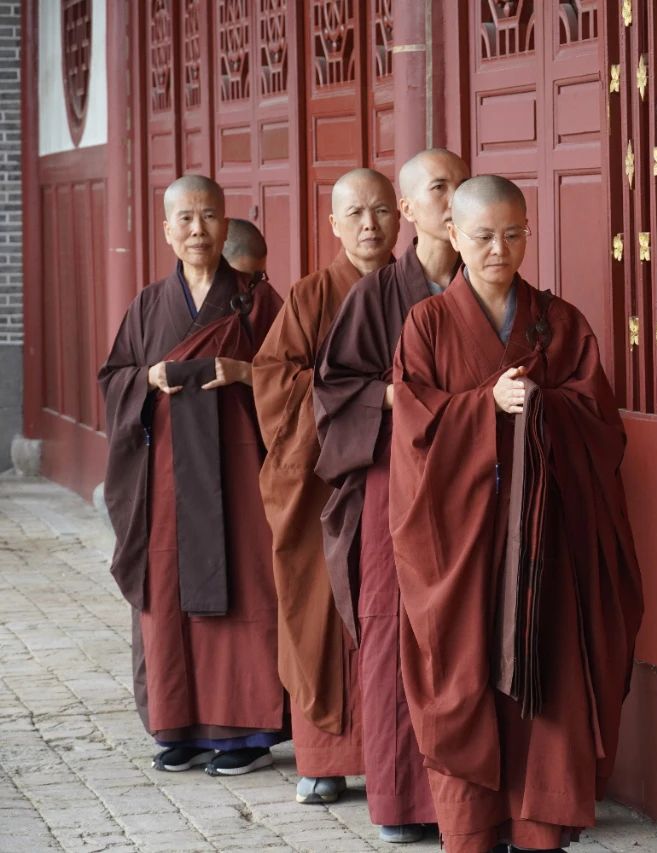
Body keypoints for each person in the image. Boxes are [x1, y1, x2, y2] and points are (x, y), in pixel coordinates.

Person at [388, 175, 644, 853]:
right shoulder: (429, 324)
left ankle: (537, 827)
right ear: (450, 235)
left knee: (548, 676)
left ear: (529, 232)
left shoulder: (559, 321)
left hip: (544, 544)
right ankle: (473, 828)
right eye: (482, 236)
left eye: (513, 234)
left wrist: (543, 405)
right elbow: (412, 426)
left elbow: (599, 422)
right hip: (465, 545)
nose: (499, 249)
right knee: (464, 675)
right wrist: (482, 406)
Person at [98, 174, 286, 777]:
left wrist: (245, 371)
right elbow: (113, 378)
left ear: (225, 224)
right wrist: (146, 379)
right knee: (168, 593)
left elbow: (295, 377)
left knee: (249, 591)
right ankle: (178, 724)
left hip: (239, 474)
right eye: (185, 219)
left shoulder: (258, 303)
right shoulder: (150, 304)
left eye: (209, 217)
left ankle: (246, 733)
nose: (198, 229)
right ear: (167, 231)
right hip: (168, 479)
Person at [312, 148, 470, 843]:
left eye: (462, 184)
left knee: (467, 633)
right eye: (439, 187)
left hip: (472, 481)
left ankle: (469, 798)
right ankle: (404, 800)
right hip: (392, 483)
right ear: (409, 209)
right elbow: (335, 390)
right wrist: (415, 400)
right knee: (392, 628)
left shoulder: (487, 285)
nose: (453, 196)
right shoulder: (375, 297)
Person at [252, 168, 400, 805]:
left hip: (401, 475)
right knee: (316, 610)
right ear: (334, 225)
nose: (370, 225)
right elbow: (274, 380)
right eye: (355, 214)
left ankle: (397, 761)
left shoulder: (418, 290)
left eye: (381, 211)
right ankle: (323, 759)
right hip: (323, 483)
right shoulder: (312, 295)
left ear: (402, 217)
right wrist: (355, 402)